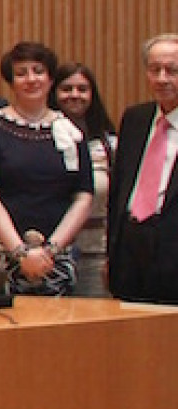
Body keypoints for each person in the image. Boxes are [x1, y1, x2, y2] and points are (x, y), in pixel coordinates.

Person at [0, 42, 93, 295]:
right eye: (21, 73)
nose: (31, 79)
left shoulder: (69, 130)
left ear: (50, 79)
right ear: (11, 82)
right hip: (0, 254)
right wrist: (20, 252)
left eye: (38, 71)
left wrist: (51, 250)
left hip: (55, 258)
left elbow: (84, 196)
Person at [107, 34, 178, 303]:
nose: (162, 79)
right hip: (130, 249)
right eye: (154, 70)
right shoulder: (135, 118)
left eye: (172, 70)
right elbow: (120, 187)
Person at [51, 62, 115, 297]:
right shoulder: (38, 140)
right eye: (66, 88)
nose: (74, 95)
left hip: (96, 257)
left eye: (82, 89)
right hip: (50, 257)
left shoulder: (110, 145)